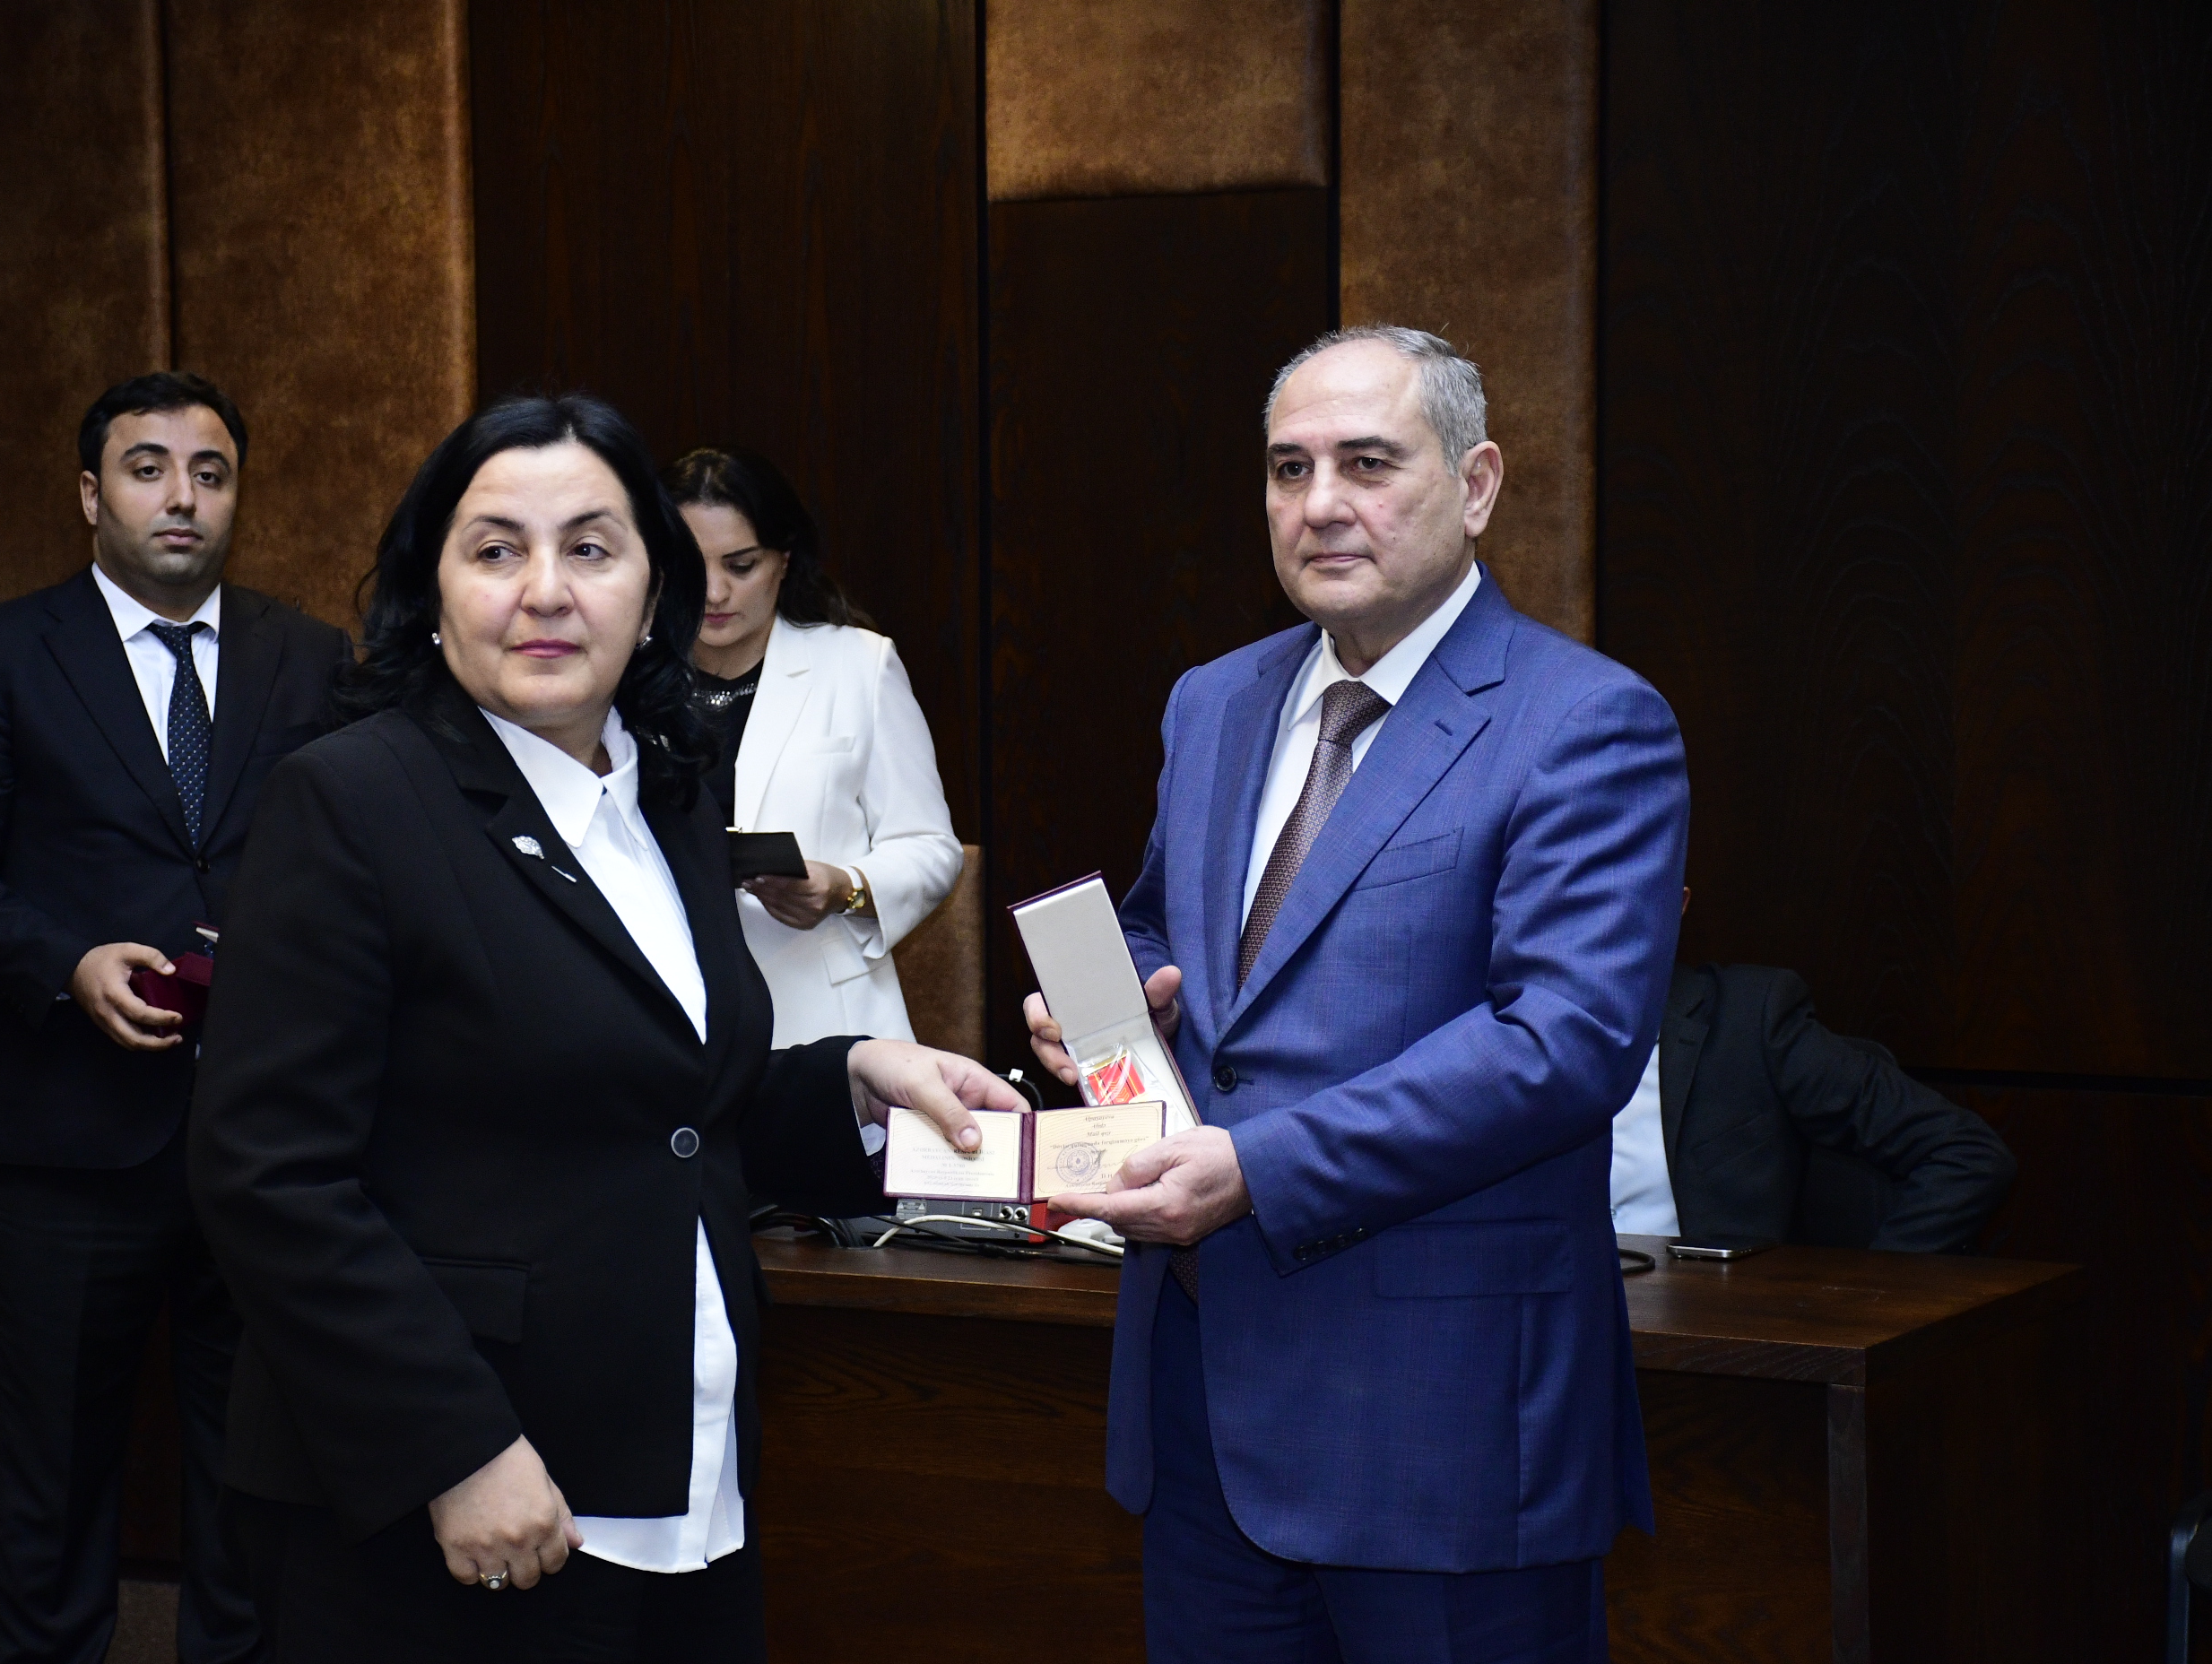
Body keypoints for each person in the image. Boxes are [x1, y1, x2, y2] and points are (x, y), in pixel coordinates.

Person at [187, 394, 1020, 1662]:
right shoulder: (350, 799)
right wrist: (454, 1448)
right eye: (495, 548)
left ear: (655, 591)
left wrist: (852, 1073)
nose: (545, 590)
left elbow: (661, 1105)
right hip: (461, 1498)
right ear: (432, 587)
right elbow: (267, 1176)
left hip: (681, 1465)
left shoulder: (669, 794)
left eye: (590, 547)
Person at [1026, 325, 1688, 1661]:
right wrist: (1120, 1001)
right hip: (1202, 1414)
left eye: (1368, 463)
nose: (1320, 503)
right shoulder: (1214, 700)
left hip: (1442, 1432)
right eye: (1290, 468)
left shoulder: (1585, 721)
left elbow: (1561, 1043)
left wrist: (1257, 1168)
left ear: (1477, 485)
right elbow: (1166, 918)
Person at [0, 371, 351, 1664]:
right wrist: (66, 961)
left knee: (255, 1476)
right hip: (68, 1140)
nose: (181, 496)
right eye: (148, 469)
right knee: (56, 1479)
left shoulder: (310, 656)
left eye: (210, 472)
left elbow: (356, 858)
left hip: (263, 1138)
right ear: (93, 494)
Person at [661, 446, 961, 1045]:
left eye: (741, 565)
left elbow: (930, 848)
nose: (714, 591)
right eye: (693, 565)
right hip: (667, 1010)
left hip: (820, 1013)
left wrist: (844, 887)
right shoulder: (621, 676)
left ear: (783, 559)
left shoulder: (858, 664)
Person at [1610, 956, 2016, 1251]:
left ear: (1676, 903)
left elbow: (1966, 1152)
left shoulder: (1751, 1017)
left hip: (1708, 1326)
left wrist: (1872, 1301)